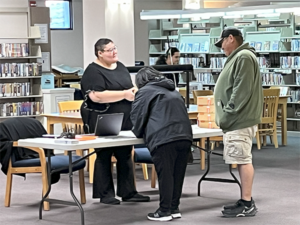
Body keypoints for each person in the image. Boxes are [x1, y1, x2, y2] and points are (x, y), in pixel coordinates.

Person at [80, 38, 150, 205]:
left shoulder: (121, 67)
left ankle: (128, 191)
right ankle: (105, 194)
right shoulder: (92, 71)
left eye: (115, 48)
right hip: (103, 118)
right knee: (104, 155)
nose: (114, 52)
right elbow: (96, 96)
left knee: (125, 154)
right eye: (110, 50)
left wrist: (133, 91)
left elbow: (129, 87)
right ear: (100, 53)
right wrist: (124, 94)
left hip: (125, 117)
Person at [130, 66, 193, 221]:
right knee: (178, 174)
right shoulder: (173, 90)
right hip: (185, 136)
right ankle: (174, 207)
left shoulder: (144, 92)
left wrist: (138, 133)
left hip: (164, 138)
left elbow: (137, 116)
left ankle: (164, 211)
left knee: (165, 175)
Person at [214, 27, 263, 217]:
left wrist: (227, 114)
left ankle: (247, 202)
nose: (222, 48)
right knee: (241, 159)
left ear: (231, 39)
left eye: (223, 43)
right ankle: (245, 199)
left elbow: (241, 90)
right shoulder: (241, 56)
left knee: (243, 160)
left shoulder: (243, 57)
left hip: (238, 119)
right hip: (236, 120)